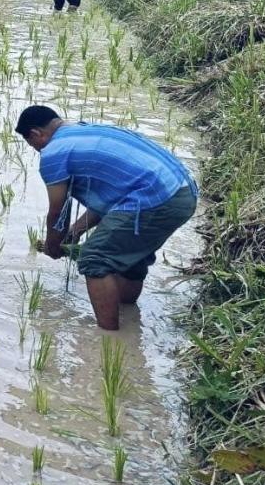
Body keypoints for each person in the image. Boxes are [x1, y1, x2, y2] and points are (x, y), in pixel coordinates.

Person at [14, 105, 198, 330]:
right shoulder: (82, 130)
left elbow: (57, 212)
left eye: (32, 145)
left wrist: (53, 245)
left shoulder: (54, 152)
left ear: (35, 134)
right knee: (128, 252)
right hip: (182, 192)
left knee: (94, 257)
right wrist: (76, 231)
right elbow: (113, 199)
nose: (36, 149)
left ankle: (110, 338)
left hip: (156, 198)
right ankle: (130, 321)